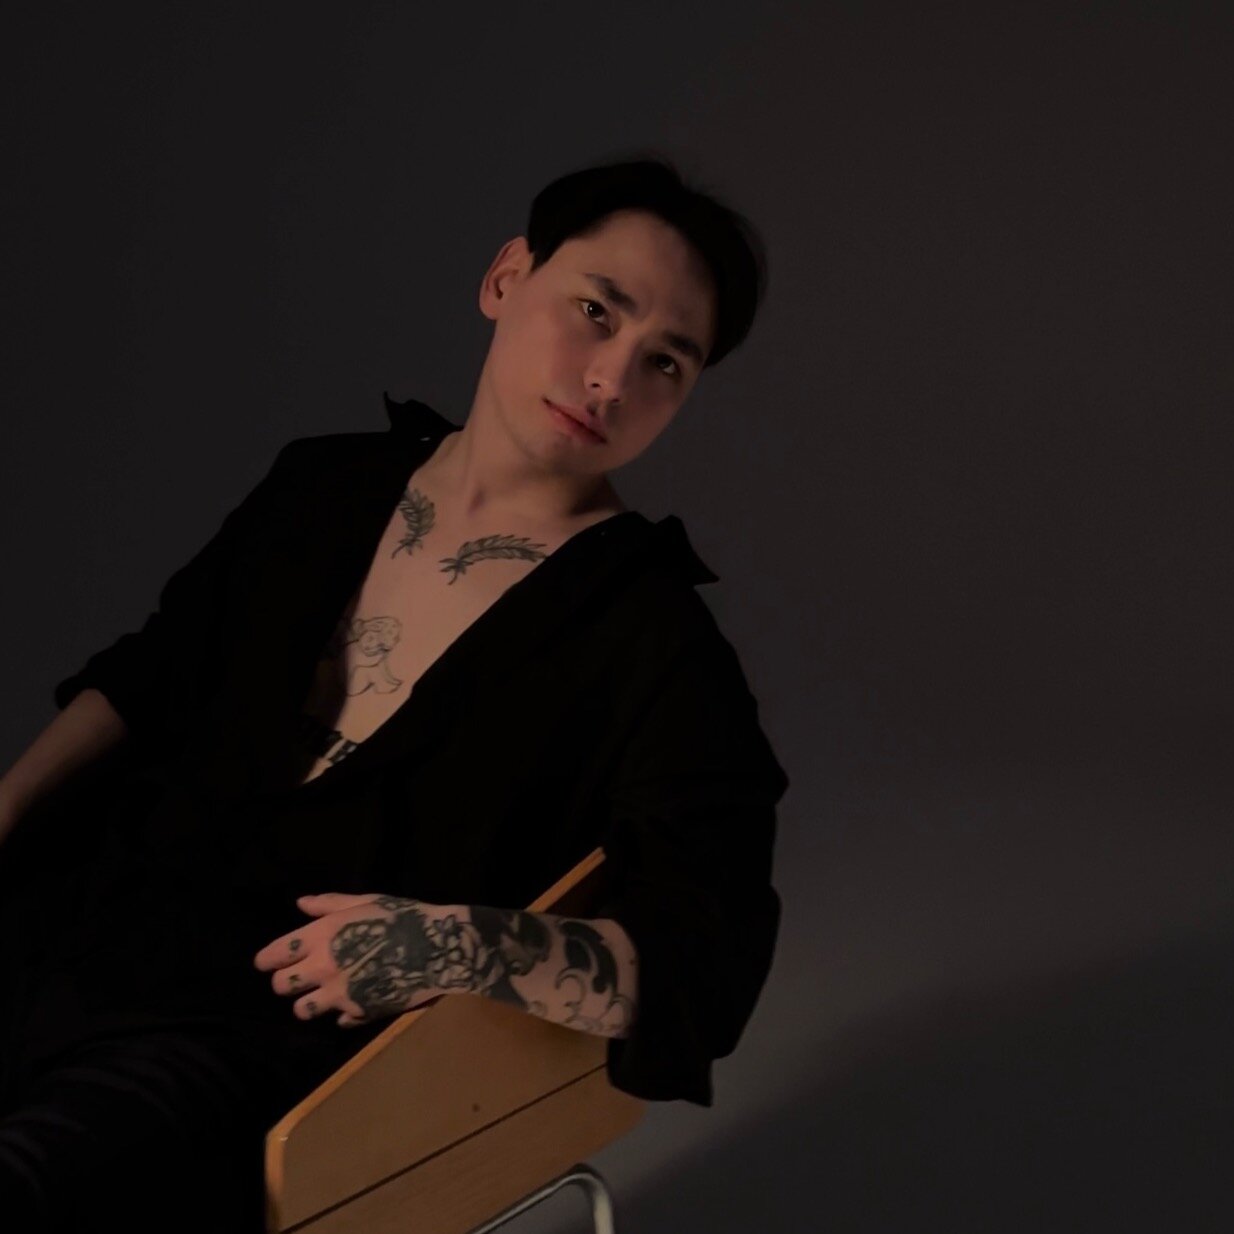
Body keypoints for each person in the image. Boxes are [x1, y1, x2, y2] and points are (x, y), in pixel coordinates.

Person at [0, 154, 790, 1232]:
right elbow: (152, 673)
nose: (611, 378)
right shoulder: (321, 484)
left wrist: (455, 945)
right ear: (506, 277)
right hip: (79, 917)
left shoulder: (656, 644)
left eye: (664, 362)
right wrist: (7, 805)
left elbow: (707, 962)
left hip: (258, 1042)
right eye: (595, 312)